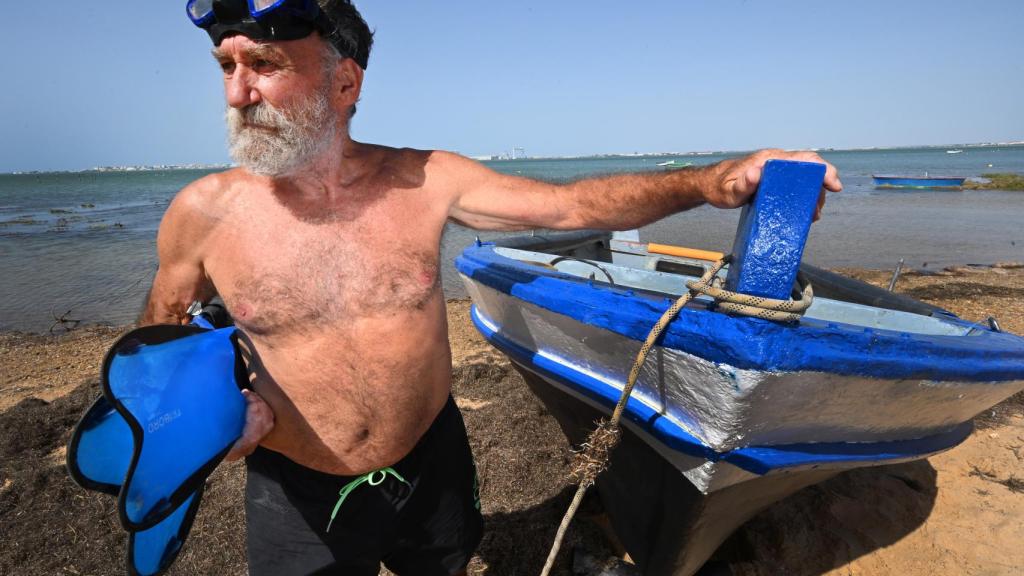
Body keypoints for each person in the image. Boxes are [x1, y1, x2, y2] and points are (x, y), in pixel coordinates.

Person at [143, 1, 842, 574]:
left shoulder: (427, 180)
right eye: (227, 67)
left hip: (431, 464)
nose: (237, 93)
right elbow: (159, 342)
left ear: (345, 82)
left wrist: (711, 182)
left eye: (264, 65)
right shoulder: (203, 214)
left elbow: (571, 207)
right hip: (294, 488)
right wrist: (213, 416)